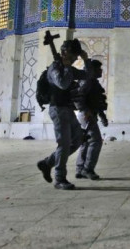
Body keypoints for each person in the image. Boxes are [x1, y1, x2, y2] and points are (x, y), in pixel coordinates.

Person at [36, 39, 89, 189]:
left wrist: (86, 60)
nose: (74, 60)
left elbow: (88, 75)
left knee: (78, 140)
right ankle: (59, 178)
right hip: (57, 109)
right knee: (64, 144)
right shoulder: (55, 67)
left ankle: (48, 163)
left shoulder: (69, 68)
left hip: (68, 109)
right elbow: (63, 84)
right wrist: (66, 67)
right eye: (73, 56)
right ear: (65, 52)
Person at [72, 59, 108, 181]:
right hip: (86, 115)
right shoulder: (86, 81)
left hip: (89, 114)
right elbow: (77, 97)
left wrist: (102, 116)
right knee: (96, 141)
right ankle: (88, 169)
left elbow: (97, 101)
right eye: (98, 69)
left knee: (86, 142)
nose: (101, 71)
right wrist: (85, 111)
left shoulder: (92, 82)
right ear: (92, 70)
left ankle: (80, 169)